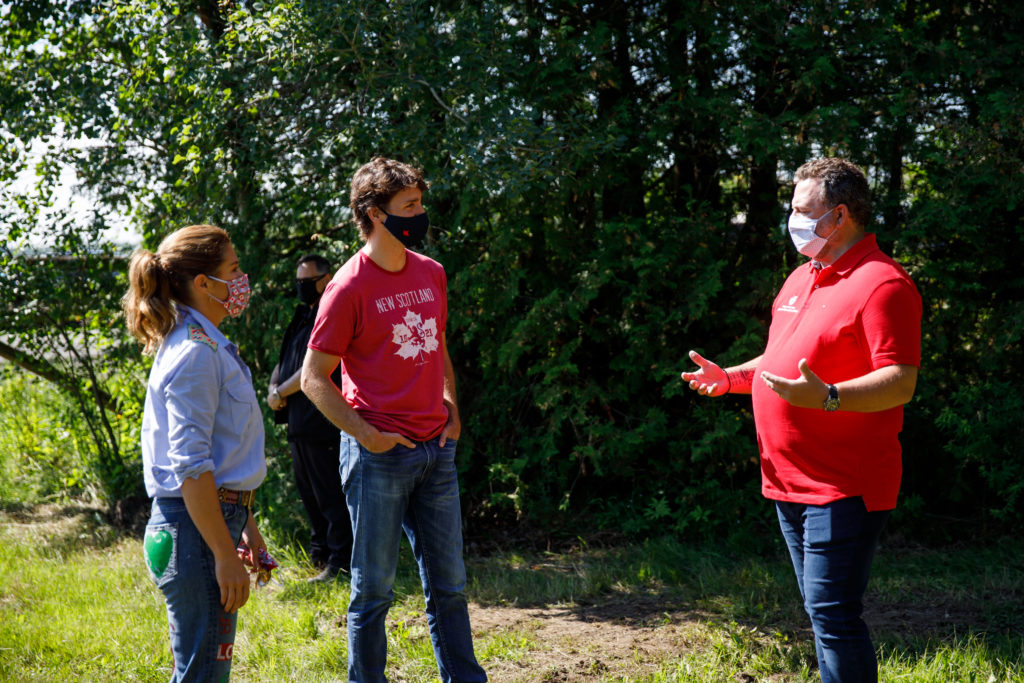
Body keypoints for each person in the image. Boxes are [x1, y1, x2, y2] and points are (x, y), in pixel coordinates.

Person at [681, 158, 921, 683]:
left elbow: (901, 380)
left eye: (800, 210)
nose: (791, 219)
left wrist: (830, 397)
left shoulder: (884, 284)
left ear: (838, 216)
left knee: (834, 616)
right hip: (788, 481)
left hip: (843, 485)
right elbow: (777, 359)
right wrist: (730, 378)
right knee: (822, 614)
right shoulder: (801, 277)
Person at [301, 157, 487, 683]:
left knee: (449, 587)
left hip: (436, 450)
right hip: (379, 456)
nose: (421, 214)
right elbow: (314, 377)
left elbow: (440, 343)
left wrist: (452, 408)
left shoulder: (431, 272)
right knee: (372, 591)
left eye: (420, 203)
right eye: (410, 206)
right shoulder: (346, 286)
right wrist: (367, 436)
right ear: (374, 213)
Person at [122, 224, 269, 681]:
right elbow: (191, 468)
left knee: (201, 669)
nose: (242, 279)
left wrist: (245, 525)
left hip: (206, 527)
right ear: (203, 283)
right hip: (196, 535)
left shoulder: (204, 343)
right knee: (203, 673)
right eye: (234, 269)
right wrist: (223, 554)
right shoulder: (196, 353)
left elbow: (222, 458)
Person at [268, 254, 353, 582]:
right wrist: (274, 386)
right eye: (298, 281)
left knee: (331, 496)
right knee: (310, 494)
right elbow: (286, 357)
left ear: (325, 279)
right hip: (297, 423)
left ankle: (341, 563)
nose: (301, 287)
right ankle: (320, 558)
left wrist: (281, 393)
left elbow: (312, 368)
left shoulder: (330, 313)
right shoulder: (303, 315)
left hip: (322, 422)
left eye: (307, 281)